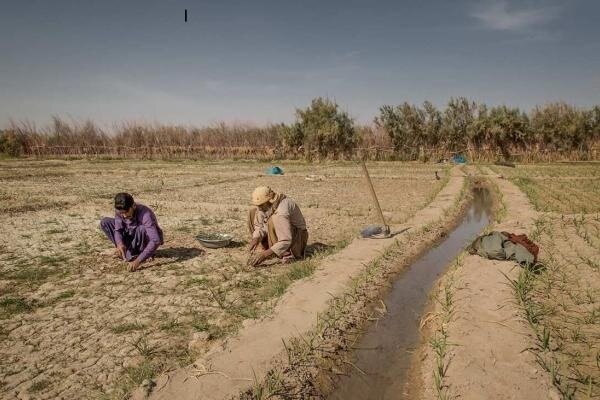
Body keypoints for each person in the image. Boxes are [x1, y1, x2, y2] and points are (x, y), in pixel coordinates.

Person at [100, 193, 164, 271]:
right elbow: (118, 230)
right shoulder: (120, 211)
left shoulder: (145, 214)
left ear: (133, 206)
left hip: (142, 240)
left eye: (126, 212)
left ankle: (141, 255)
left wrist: (138, 261)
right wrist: (119, 243)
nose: (124, 216)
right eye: (121, 213)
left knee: (142, 228)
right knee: (105, 222)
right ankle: (126, 252)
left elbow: (155, 240)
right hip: (131, 236)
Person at [247, 186, 308, 267]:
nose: (259, 208)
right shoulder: (267, 206)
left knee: (273, 220)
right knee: (253, 212)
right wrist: (256, 238)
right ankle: (271, 249)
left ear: (269, 201)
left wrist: (264, 255)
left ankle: (286, 253)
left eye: (261, 205)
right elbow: (260, 226)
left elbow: (286, 240)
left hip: (296, 240)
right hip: (281, 233)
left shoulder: (281, 211)